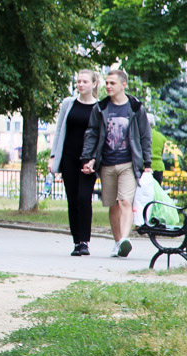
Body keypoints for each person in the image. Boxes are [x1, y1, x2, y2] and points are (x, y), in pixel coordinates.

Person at [81, 69, 151, 258]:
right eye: (107, 83)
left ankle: (124, 240)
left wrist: (148, 163)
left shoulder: (136, 108)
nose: (108, 86)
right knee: (113, 205)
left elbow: (145, 136)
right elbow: (92, 133)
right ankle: (117, 241)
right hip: (107, 163)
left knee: (124, 201)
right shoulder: (101, 108)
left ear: (123, 85)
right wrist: (88, 158)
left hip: (128, 163)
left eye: (112, 83)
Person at [49, 69, 100, 256]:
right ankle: (76, 241)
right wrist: (54, 155)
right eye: (78, 81)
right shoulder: (68, 104)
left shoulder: (99, 107)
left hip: (88, 160)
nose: (80, 85)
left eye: (85, 81)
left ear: (94, 84)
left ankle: (85, 241)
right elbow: (59, 130)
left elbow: (100, 136)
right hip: (69, 157)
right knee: (72, 199)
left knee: (84, 198)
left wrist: (94, 159)